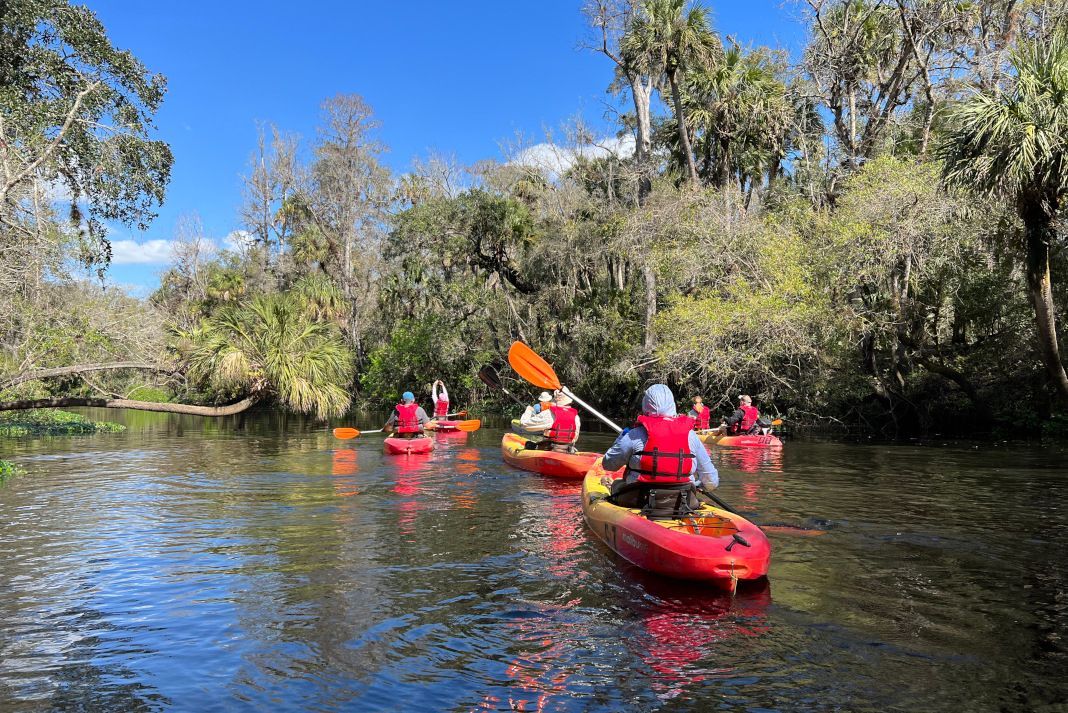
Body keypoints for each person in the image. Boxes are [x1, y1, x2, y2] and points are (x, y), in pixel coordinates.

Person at [602, 384, 718, 511]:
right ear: (672, 405)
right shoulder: (691, 436)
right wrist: (698, 485)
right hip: (682, 500)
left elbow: (608, 464)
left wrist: (621, 438)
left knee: (617, 484)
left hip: (639, 500)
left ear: (645, 405)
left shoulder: (634, 434)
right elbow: (712, 482)